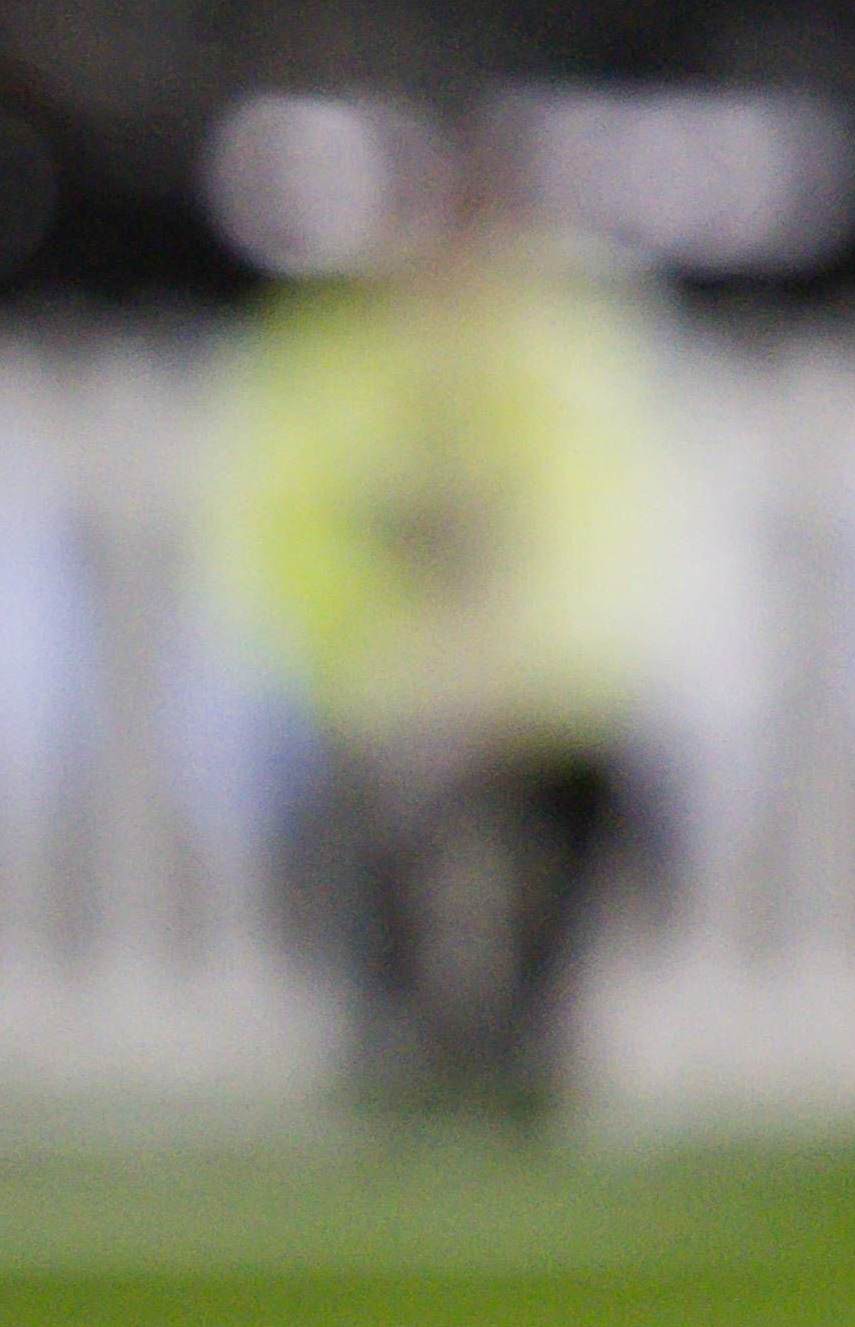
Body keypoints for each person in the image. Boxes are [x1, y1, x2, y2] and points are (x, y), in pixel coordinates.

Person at [209, 127, 679, 1120]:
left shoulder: (567, 350)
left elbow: (605, 539)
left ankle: (525, 1028)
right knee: (344, 810)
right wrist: (375, 656)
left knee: (581, 802)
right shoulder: (331, 351)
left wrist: (511, 677)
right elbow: (277, 528)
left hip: (535, 687)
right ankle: (392, 1030)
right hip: (363, 679)